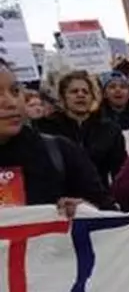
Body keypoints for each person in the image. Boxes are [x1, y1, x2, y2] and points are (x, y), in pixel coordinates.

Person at [0, 59, 112, 212]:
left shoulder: (60, 152)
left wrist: (86, 211)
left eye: (15, 91)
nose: (11, 102)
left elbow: (109, 215)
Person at [34, 70, 126, 188]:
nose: (80, 95)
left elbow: (119, 171)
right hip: (58, 197)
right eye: (74, 91)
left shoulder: (110, 130)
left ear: (93, 97)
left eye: (86, 92)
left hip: (97, 196)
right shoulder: (45, 127)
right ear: (63, 97)